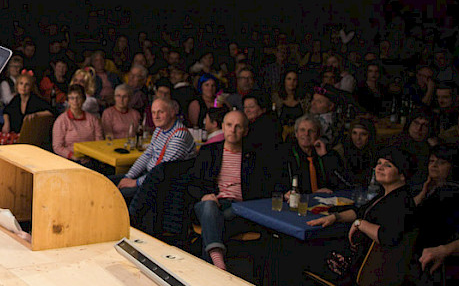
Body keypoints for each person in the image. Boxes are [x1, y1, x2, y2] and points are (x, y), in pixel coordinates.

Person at [306, 148, 418, 286]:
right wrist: (335, 217)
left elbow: (389, 236)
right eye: (379, 163)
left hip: (362, 271)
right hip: (358, 259)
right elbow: (359, 212)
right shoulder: (388, 194)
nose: (379, 168)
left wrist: (360, 224)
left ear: (402, 175)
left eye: (388, 165)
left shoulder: (401, 202)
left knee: (306, 253)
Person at [189, 110, 269, 270]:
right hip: (211, 203)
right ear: (223, 127)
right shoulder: (209, 152)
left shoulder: (255, 157)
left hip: (238, 208)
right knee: (210, 208)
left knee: (213, 222)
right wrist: (204, 196)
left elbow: (264, 189)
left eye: (238, 126)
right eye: (229, 125)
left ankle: (212, 263)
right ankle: (218, 262)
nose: (233, 130)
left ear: (245, 131)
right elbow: (192, 184)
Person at [117, 97, 195, 194]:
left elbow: (162, 171)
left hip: (164, 185)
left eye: (160, 112)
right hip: (150, 176)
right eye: (153, 113)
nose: (156, 116)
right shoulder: (160, 129)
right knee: (108, 182)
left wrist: (135, 182)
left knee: (117, 193)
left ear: (172, 112)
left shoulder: (179, 136)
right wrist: (128, 176)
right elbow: (147, 155)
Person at [280, 115, 341, 194]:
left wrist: (325, 157)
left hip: (326, 198)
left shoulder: (330, 153)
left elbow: (341, 182)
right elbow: (280, 185)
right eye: (302, 130)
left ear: (318, 134)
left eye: (311, 131)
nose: (306, 134)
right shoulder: (285, 154)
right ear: (296, 134)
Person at [52, 83, 102, 159]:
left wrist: (90, 156)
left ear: (84, 100)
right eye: (72, 98)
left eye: (78, 98)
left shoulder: (93, 119)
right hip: (70, 159)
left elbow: (99, 142)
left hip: (91, 157)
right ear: (68, 101)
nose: (75, 101)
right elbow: (57, 147)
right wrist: (73, 156)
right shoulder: (61, 120)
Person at [1, 71, 52, 135]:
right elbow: (6, 111)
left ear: (31, 87)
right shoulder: (16, 98)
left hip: (31, 135)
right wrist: (6, 123)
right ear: (17, 85)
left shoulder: (36, 100)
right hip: (15, 133)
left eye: (27, 84)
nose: (23, 87)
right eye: (21, 83)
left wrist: (36, 114)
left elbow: (52, 111)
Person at [342, 119, 381, 188]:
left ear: (370, 135)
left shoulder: (377, 153)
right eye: (354, 133)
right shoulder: (342, 152)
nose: (358, 138)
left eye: (363, 134)